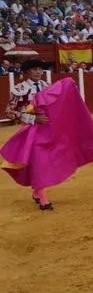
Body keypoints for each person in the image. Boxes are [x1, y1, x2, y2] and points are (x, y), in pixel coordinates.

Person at [2, 59, 53, 209]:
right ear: (26, 72)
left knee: (45, 162)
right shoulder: (19, 89)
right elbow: (9, 112)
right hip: (30, 131)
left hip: (47, 130)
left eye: (40, 69)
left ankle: (37, 192)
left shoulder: (47, 86)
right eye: (35, 69)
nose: (39, 72)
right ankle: (43, 199)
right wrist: (33, 118)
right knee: (38, 162)